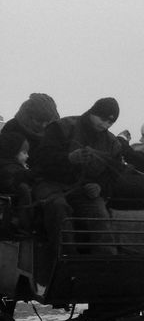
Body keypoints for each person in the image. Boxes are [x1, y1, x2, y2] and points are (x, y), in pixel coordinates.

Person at [31, 97, 125, 253]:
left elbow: (114, 173)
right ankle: (66, 260)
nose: (104, 125)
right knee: (58, 208)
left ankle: (106, 264)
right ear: (93, 112)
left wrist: (100, 187)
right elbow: (41, 158)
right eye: (102, 119)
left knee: (100, 216)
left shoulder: (112, 143)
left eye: (110, 123)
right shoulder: (62, 128)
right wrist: (68, 158)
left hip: (83, 191)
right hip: (50, 184)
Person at [0, 93, 60, 233]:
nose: (44, 125)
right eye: (39, 121)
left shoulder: (55, 129)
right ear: (29, 115)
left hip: (45, 178)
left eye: (48, 121)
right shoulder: (13, 127)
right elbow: (5, 159)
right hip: (20, 177)